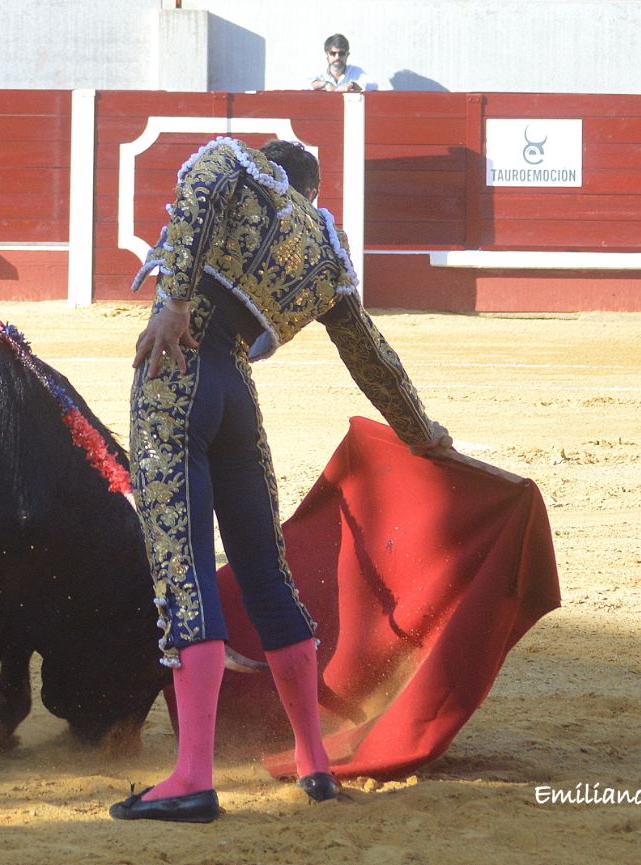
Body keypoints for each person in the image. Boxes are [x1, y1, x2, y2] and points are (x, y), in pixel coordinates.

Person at [110, 138, 453, 823]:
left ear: (271, 168)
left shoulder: (235, 165)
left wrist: (174, 299)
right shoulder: (323, 245)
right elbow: (370, 355)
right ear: (312, 191)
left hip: (176, 377)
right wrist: (423, 433)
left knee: (185, 572)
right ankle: (313, 761)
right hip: (237, 396)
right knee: (268, 575)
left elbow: (201, 186)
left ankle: (192, 777)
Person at [309, 33, 377, 92]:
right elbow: (306, 83)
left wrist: (352, 85)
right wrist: (325, 84)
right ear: (327, 55)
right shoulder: (320, 73)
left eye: (341, 53)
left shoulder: (355, 71)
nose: (337, 57)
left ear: (347, 55)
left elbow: (374, 85)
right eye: (333, 53)